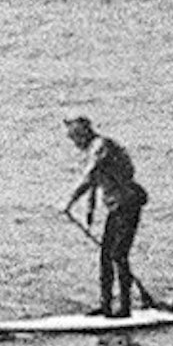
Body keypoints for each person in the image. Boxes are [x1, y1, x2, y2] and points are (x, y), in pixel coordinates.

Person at [65, 112, 147, 320]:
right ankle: (106, 306)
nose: (72, 141)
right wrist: (89, 210)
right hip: (115, 207)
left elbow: (90, 175)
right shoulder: (92, 148)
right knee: (105, 256)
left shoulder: (101, 146)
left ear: (83, 132)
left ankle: (125, 308)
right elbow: (95, 184)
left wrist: (69, 201)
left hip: (127, 204)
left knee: (118, 254)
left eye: (73, 135)